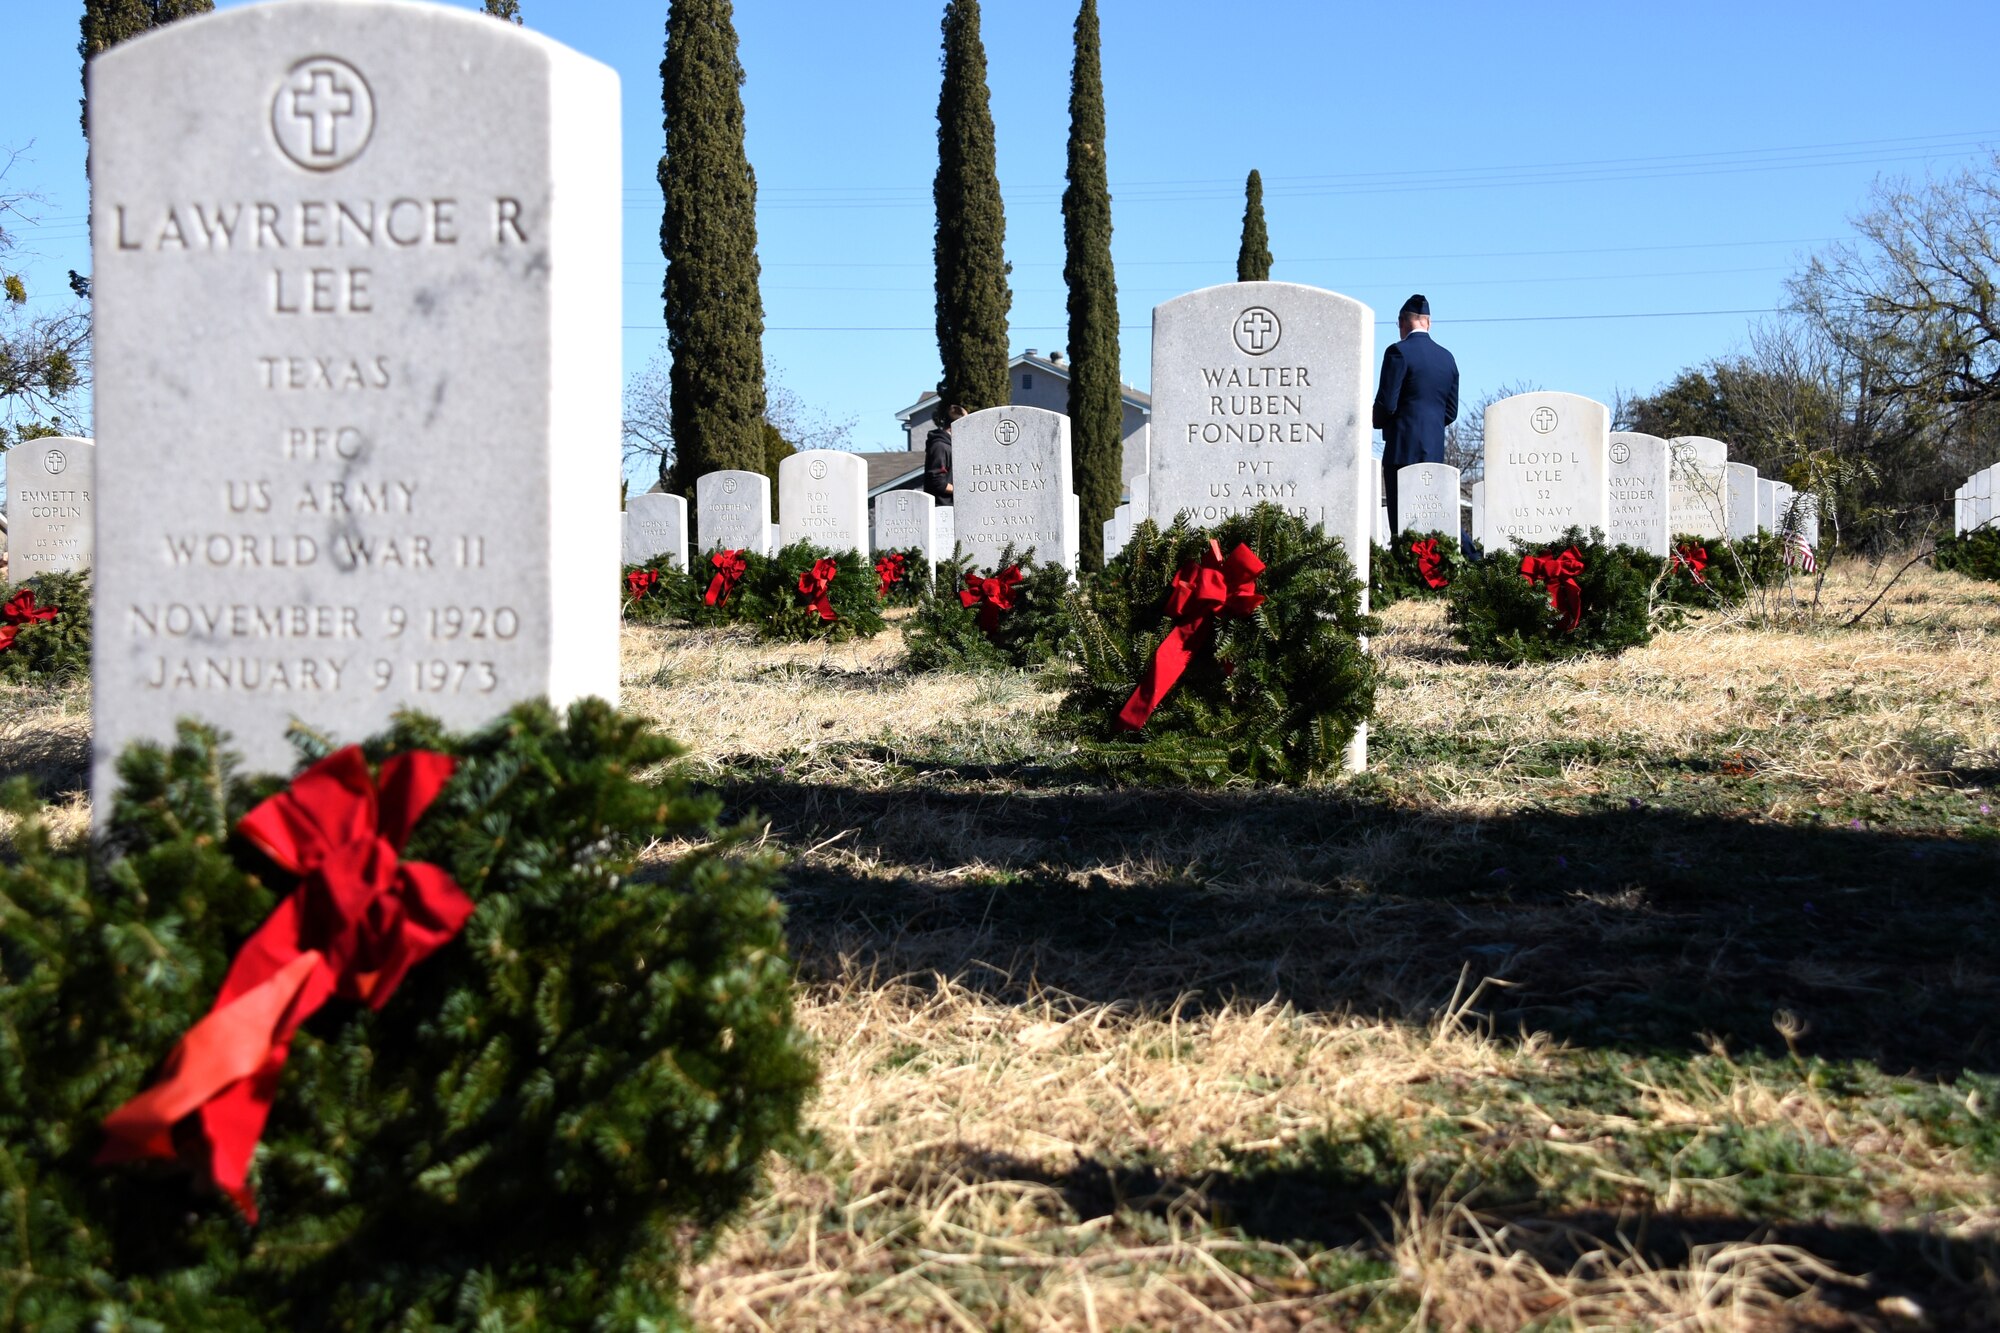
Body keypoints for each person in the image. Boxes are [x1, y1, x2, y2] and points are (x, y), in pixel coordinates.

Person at [1372, 294, 1459, 533]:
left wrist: (1374, 419)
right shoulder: (1447, 358)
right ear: (1428, 323)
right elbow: (1451, 411)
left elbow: (1387, 403)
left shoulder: (1397, 352)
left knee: (1402, 527)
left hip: (1401, 451)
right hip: (1434, 452)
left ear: (1401, 322)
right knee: (1432, 527)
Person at [923, 401, 966, 504]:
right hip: (942, 508)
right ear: (955, 425)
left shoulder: (950, 445)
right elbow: (937, 481)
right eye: (965, 423)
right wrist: (963, 491)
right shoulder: (940, 446)